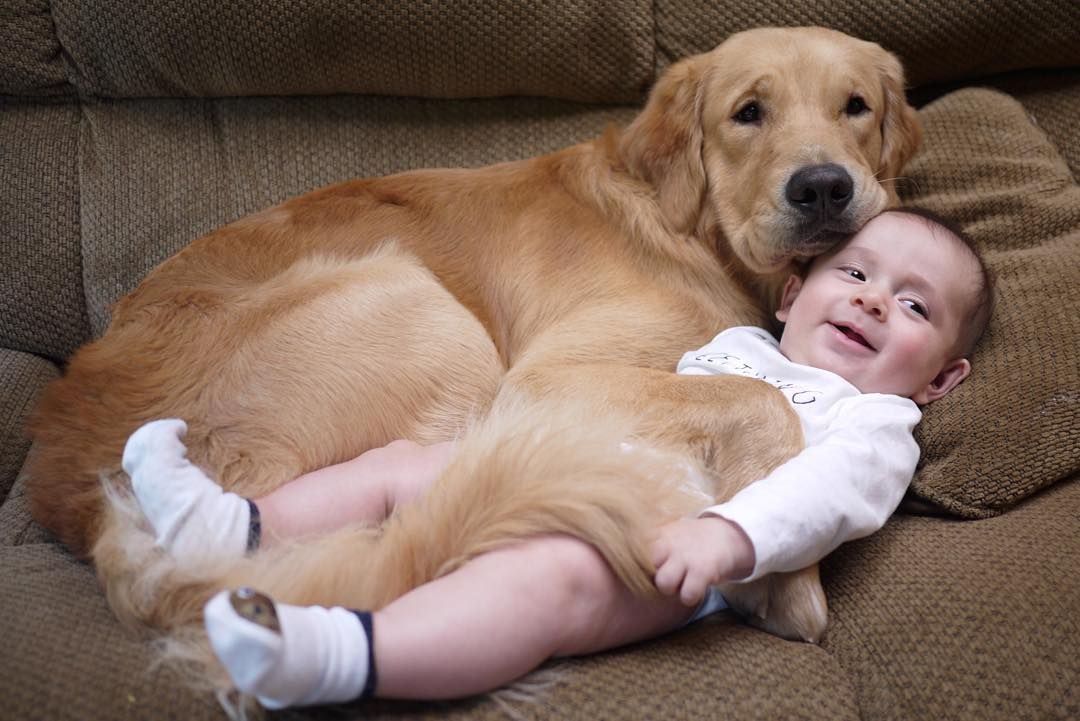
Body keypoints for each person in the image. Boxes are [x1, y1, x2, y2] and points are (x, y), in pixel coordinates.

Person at [121, 206, 994, 708]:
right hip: (552, 462)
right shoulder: (733, 345)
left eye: (914, 306)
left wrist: (729, 539)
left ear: (942, 379)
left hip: (662, 544)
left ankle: (341, 656)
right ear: (793, 293)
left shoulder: (875, 423)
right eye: (855, 274)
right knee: (405, 462)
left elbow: (831, 495)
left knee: (548, 583)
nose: (876, 301)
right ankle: (233, 523)